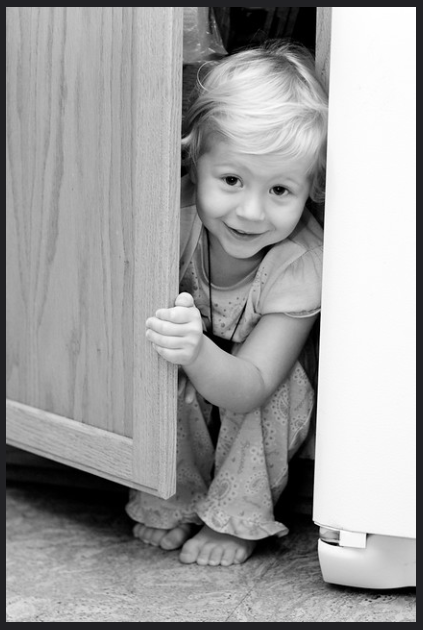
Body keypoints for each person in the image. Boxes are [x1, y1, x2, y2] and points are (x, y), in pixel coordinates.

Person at [126, 40, 328, 566]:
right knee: (161, 358)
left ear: (313, 188)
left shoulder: (299, 262)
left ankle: (236, 517)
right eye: (232, 180)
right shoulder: (174, 214)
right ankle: (176, 500)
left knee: (277, 398)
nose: (252, 211)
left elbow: (252, 385)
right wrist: (184, 350)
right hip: (194, 358)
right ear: (196, 160)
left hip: (256, 386)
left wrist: (196, 352)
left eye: (281, 189)